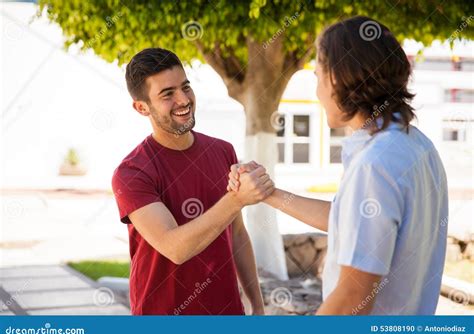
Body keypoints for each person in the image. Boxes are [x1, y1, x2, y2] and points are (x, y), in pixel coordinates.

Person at [228, 16, 448, 315]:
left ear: (337, 78)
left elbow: (352, 297)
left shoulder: (375, 163)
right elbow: (348, 220)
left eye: (318, 76)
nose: (317, 93)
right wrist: (269, 193)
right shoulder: (417, 145)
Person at [111, 48, 273, 315]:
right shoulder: (131, 173)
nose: (183, 99)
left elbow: (237, 234)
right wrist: (236, 199)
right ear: (142, 107)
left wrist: (257, 305)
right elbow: (175, 248)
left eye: (185, 87)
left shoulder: (223, 151)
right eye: (168, 94)